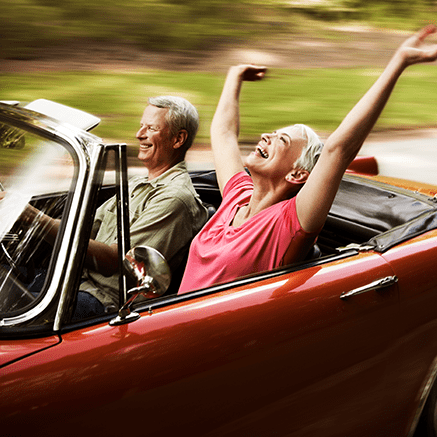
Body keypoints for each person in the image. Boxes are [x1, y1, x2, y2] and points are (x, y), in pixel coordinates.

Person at [178, 25, 437, 295]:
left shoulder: (288, 223)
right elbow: (223, 133)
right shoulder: (237, 196)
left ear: (298, 174)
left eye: (282, 140)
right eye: (273, 133)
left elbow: (338, 149)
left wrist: (399, 61)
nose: (267, 136)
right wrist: (235, 75)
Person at [21, 96, 208, 316]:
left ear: (178, 139)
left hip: (101, 303)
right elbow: (84, 229)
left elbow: (114, 261)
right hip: (71, 283)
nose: (139, 135)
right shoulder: (138, 183)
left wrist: (33, 218)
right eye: (141, 126)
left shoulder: (176, 200)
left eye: (151, 128)